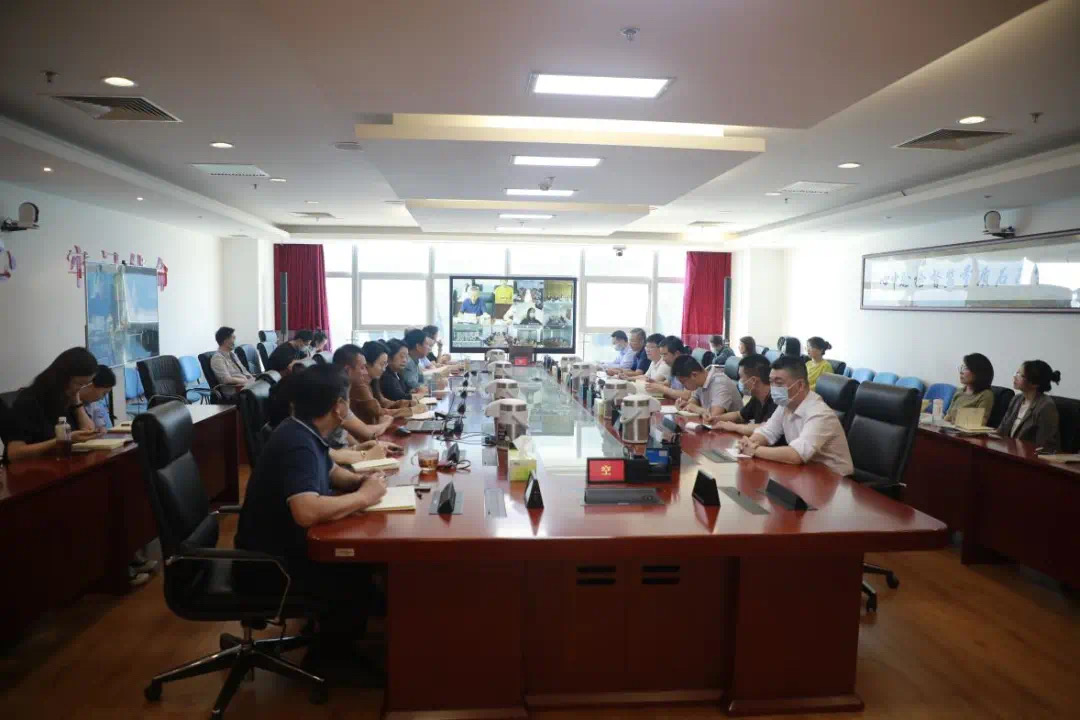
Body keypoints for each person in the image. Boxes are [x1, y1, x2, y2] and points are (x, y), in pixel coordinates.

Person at [235, 364, 388, 652]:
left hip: (283, 552)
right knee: (362, 568)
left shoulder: (302, 429)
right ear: (339, 407)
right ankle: (333, 656)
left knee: (367, 563)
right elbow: (305, 511)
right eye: (347, 401)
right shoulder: (298, 443)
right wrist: (364, 498)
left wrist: (361, 482)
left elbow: (331, 471)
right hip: (273, 568)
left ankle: (339, 635)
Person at [738, 355, 854, 477]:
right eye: (771, 382)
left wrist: (754, 449)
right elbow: (767, 432)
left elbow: (796, 455)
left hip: (835, 480)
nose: (773, 388)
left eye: (779, 383)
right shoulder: (786, 404)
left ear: (800, 385)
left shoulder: (820, 414)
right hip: (806, 472)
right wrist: (750, 442)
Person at [5, 347, 102, 461]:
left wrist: (76, 402)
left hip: (64, 462)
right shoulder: (29, 400)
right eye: (79, 383)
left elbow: (88, 430)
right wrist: (62, 440)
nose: (80, 389)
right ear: (63, 377)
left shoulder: (68, 397)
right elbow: (14, 453)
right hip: (35, 467)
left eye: (85, 384)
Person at [997, 361, 1061, 451]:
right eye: (1017, 373)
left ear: (1034, 383)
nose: (1015, 376)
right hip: (1009, 451)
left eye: (1020, 375)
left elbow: (1044, 445)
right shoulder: (1016, 399)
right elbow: (1001, 430)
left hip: (1029, 456)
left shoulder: (1046, 406)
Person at [712, 354, 777, 435]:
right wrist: (716, 419)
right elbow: (739, 415)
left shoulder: (777, 400)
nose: (739, 381)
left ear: (753, 380)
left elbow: (766, 428)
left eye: (741, 377)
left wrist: (734, 427)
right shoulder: (757, 397)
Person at [670, 355, 742, 421]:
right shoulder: (701, 379)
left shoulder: (720, 383)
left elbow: (713, 417)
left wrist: (696, 409)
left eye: (683, 382)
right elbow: (694, 399)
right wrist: (685, 405)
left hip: (732, 429)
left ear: (694, 375)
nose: (683, 386)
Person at [359, 341, 418, 420]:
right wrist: (410, 410)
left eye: (385, 364)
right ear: (367, 364)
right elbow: (378, 412)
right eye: (381, 364)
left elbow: (384, 402)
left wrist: (409, 403)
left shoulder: (374, 380)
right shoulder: (360, 385)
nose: (384, 369)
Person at [945, 353, 995, 424]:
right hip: (949, 428)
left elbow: (980, 422)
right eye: (962, 368)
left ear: (979, 372)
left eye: (966, 368)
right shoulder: (959, 391)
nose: (961, 372)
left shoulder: (985, 395)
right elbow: (948, 416)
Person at [646, 336, 693, 401]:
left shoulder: (689, 367)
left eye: (665, 355)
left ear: (677, 354)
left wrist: (661, 388)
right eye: (661, 355)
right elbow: (668, 383)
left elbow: (686, 395)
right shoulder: (674, 366)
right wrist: (654, 382)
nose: (663, 359)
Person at [72, 365, 117, 432]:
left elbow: (101, 427)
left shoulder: (93, 404)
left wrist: (101, 428)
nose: (102, 398)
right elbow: (88, 430)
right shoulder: (69, 402)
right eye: (104, 393)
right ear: (90, 384)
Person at [400, 328, 431, 397]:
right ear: (418, 346)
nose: (429, 348)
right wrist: (434, 385)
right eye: (426, 344)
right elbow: (415, 386)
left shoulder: (415, 360)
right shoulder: (408, 362)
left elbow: (421, 379)